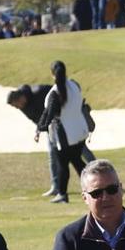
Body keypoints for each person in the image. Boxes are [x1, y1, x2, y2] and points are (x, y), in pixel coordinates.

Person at [35, 60, 89, 204]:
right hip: (80, 130)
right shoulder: (74, 86)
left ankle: (62, 194)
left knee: (63, 164)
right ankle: (93, 186)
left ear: (52, 74)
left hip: (65, 134)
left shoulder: (55, 92)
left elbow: (50, 112)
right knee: (77, 161)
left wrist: (40, 128)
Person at [7, 84, 63, 198]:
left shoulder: (39, 92)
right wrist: (39, 130)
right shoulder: (23, 107)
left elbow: (56, 97)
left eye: (16, 105)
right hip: (50, 127)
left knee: (80, 151)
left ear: (20, 98)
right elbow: (36, 119)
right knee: (52, 156)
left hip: (63, 122)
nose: (17, 108)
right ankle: (55, 187)